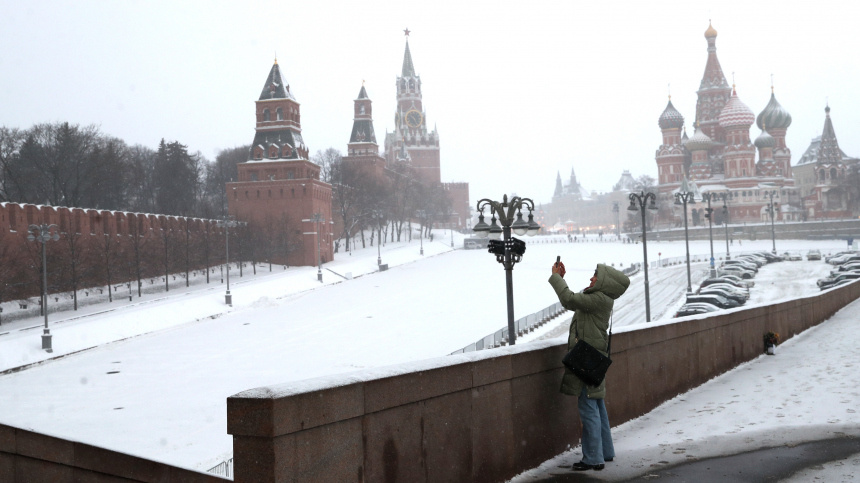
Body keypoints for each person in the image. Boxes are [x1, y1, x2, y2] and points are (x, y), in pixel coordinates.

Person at [549, 261, 630, 471]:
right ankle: (605, 451)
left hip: (586, 362)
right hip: (594, 359)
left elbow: (569, 299)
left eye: (595, 276)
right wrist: (562, 279)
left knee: (588, 408)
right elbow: (572, 302)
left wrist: (556, 277)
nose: (591, 279)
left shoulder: (598, 299)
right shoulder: (601, 299)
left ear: (604, 282)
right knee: (597, 406)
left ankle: (593, 458)